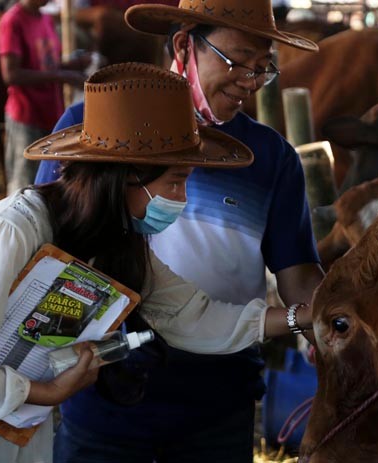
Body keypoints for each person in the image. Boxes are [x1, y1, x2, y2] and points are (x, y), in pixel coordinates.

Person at [0, 62, 306, 463]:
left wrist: (301, 317)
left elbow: (192, 316)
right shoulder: (10, 231)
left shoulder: (116, 245)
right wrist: (46, 391)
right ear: (126, 175)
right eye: (174, 183)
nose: (180, 200)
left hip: (3, 435)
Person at [35, 1, 326, 462]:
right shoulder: (92, 130)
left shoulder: (272, 159)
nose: (249, 81)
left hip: (217, 401)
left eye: (262, 67)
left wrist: (333, 324)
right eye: (237, 61)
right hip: (102, 394)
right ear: (185, 44)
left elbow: (299, 277)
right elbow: (50, 257)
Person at [0, 0, 90, 194]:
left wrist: (72, 66)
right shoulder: (12, 21)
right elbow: (11, 74)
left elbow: (48, 66)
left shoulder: (45, 19)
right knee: (23, 185)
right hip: (26, 115)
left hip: (50, 112)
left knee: (47, 183)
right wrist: (62, 76)